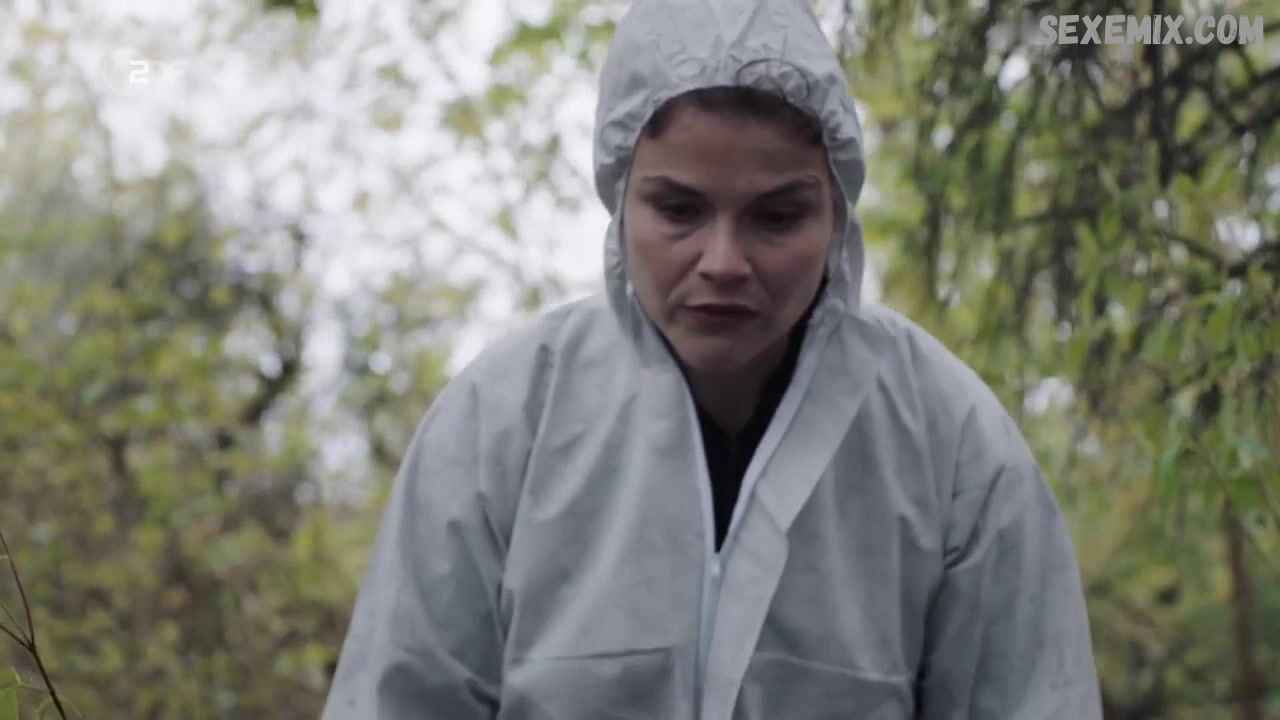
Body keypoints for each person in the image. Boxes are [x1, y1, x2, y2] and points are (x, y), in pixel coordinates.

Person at [321, 0, 1104, 717]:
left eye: (777, 215)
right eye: (679, 209)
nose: (724, 262)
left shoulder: (949, 442)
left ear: (835, 213)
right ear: (620, 196)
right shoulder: (501, 423)